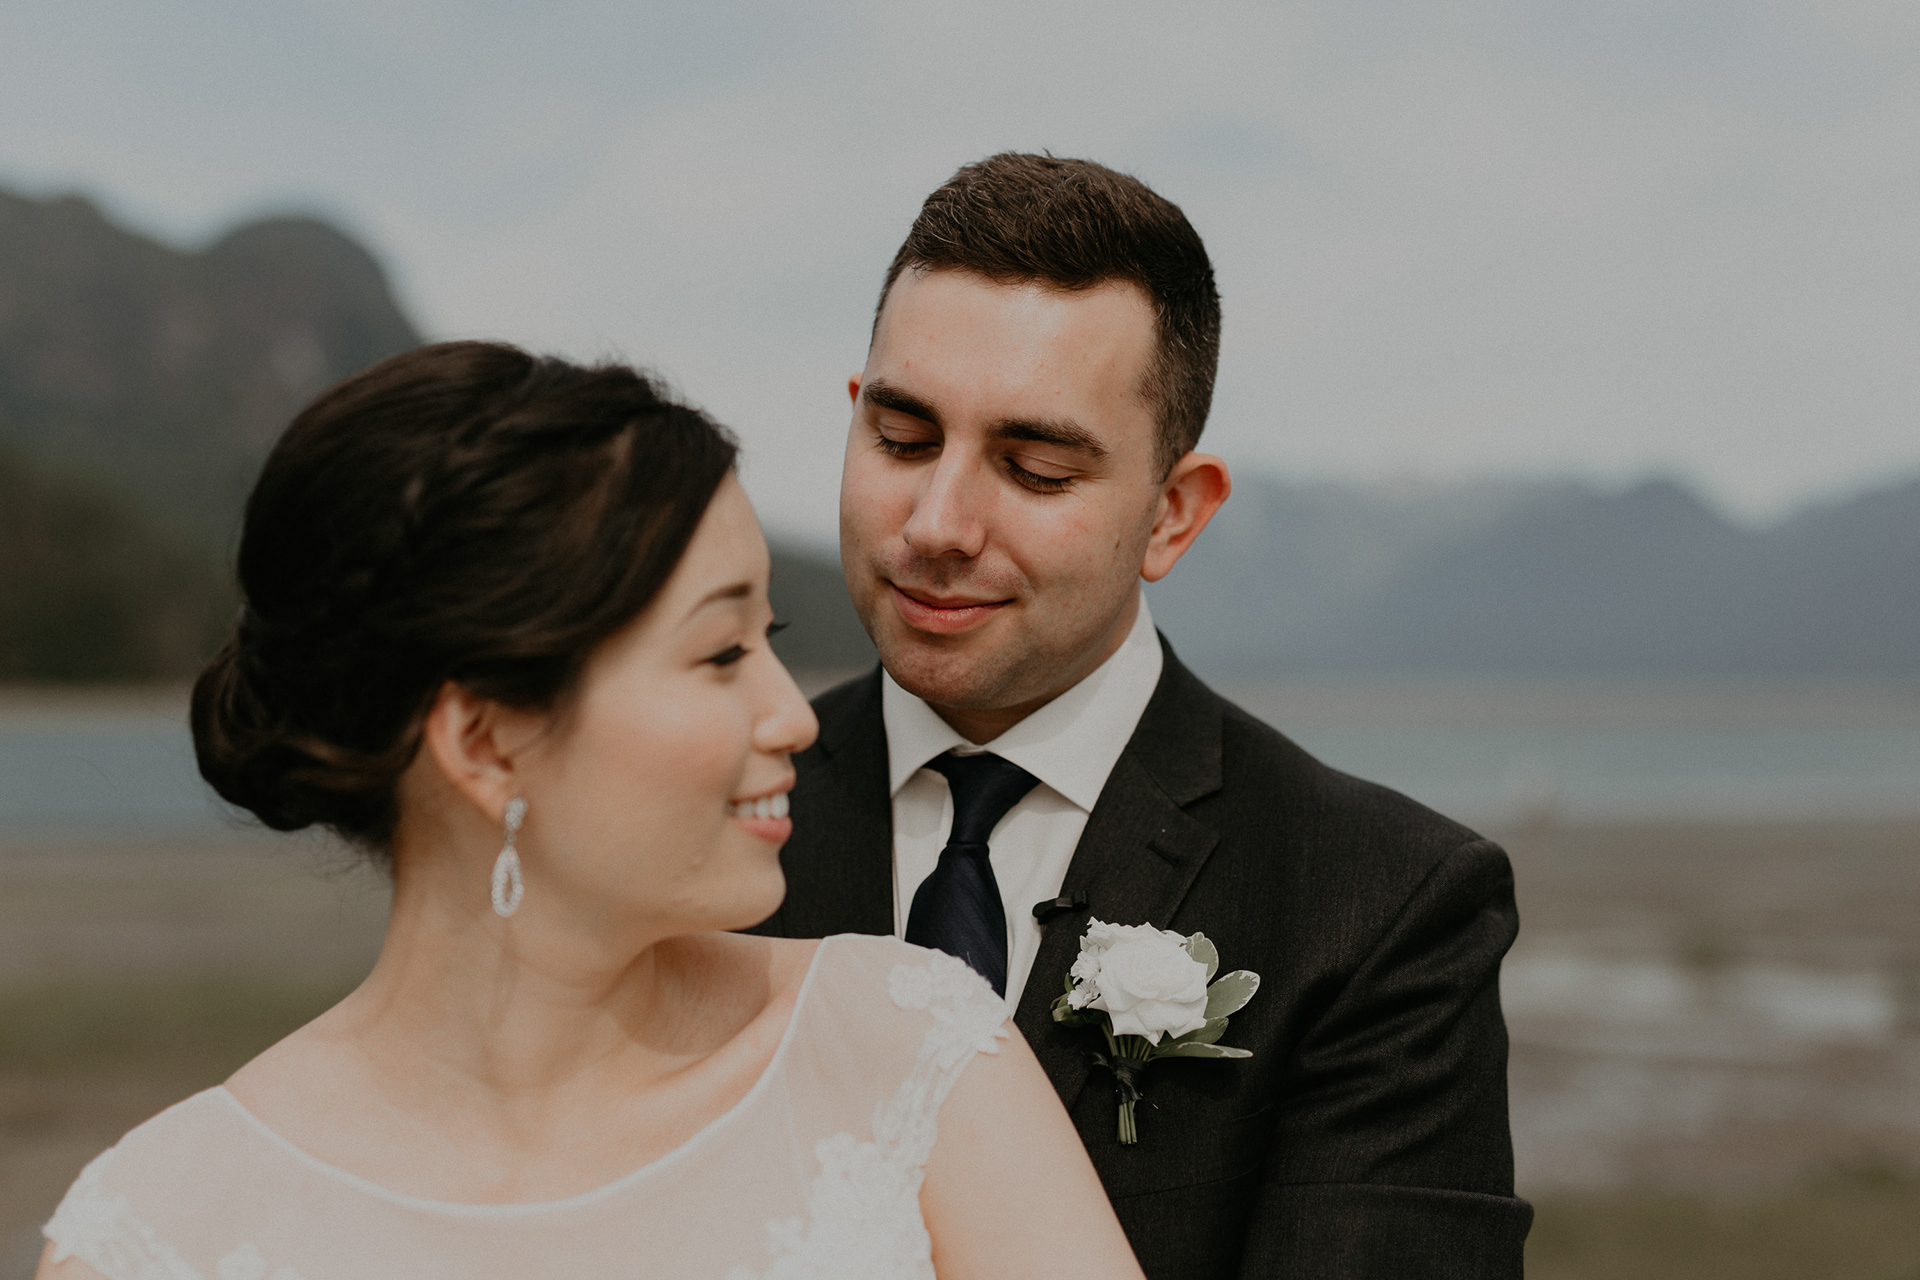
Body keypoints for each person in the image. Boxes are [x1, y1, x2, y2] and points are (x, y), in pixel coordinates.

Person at [37, 342, 1144, 1280]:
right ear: (485, 740)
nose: (793, 718)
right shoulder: (160, 1229)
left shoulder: (910, 1053)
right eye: (719, 653)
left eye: (769, 639)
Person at [752, 153, 1534, 1278]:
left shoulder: (1382, 905)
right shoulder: (696, 819)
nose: (935, 523)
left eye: (1035, 468)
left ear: (1173, 514)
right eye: (904, 439)